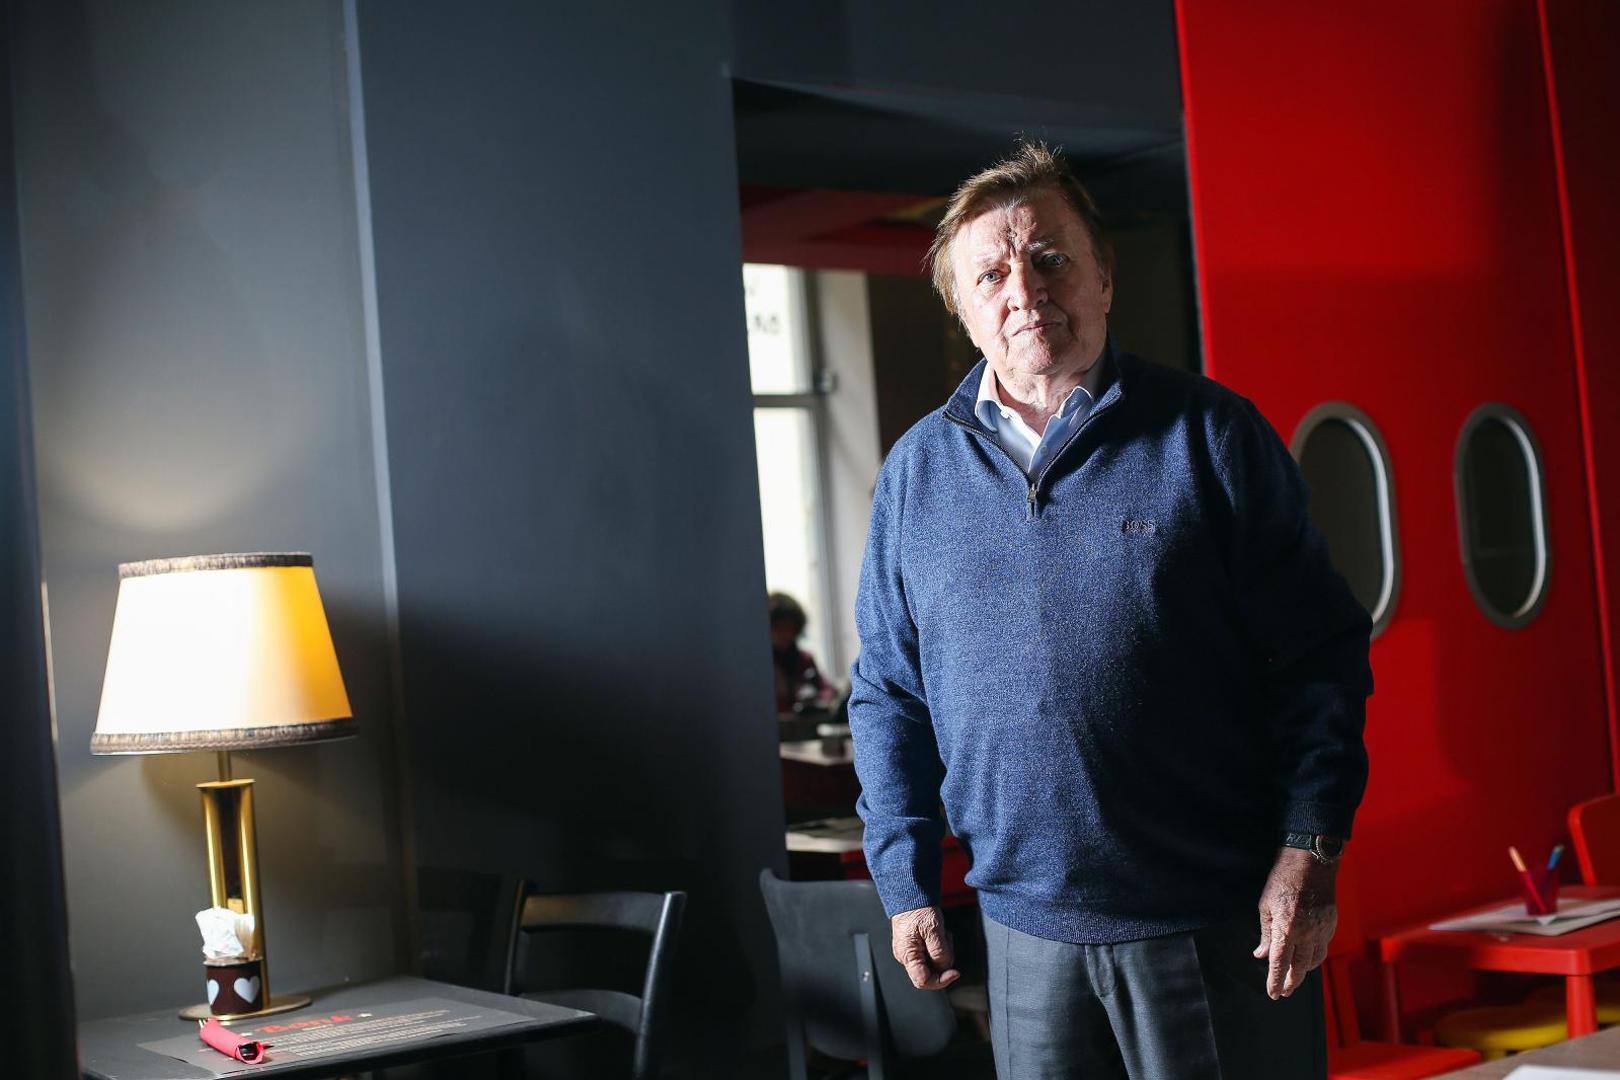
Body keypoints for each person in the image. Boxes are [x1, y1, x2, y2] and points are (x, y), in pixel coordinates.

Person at [847, 141, 1371, 1078]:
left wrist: (1310, 849)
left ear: (1103, 278)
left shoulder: (1211, 436)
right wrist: (904, 878)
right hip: (1021, 932)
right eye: (992, 274)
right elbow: (889, 692)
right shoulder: (915, 477)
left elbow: (1319, 657)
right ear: (962, 307)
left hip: (1215, 921)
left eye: (1051, 259)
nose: (1025, 291)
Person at [768, 591, 835, 714]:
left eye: (788, 627)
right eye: (778, 627)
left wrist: (816, 698)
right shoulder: (762, 664)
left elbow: (825, 690)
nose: (784, 634)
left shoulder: (805, 659)